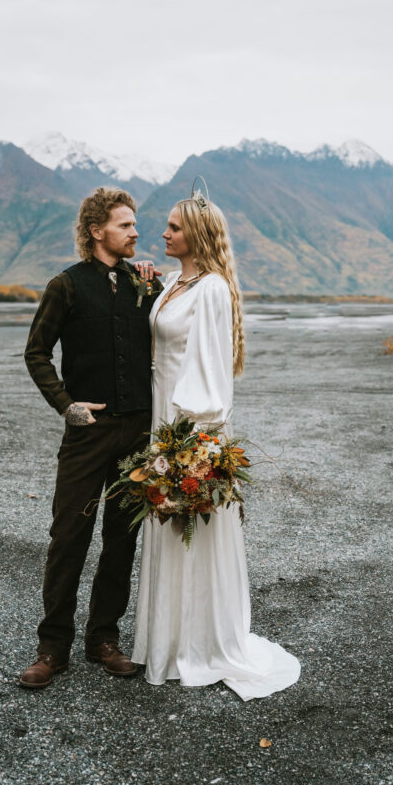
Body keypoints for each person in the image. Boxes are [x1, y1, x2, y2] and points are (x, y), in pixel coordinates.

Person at [132, 191, 301, 700]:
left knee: (191, 528)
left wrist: (193, 443)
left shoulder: (210, 291)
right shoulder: (178, 284)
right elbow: (167, 328)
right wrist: (149, 283)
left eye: (173, 228)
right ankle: (169, 638)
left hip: (186, 426)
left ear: (198, 235)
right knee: (169, 531)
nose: (163, 234)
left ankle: (200, 643)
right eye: (165, 226)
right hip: (162, 416)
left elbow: (208, 372)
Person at [19, 187, 162, 689]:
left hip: (137, 432)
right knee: (69, 538)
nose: (136, 232)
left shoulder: (145, 285)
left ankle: (103, 639)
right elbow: (36, 353)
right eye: (125, 224)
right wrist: (67, 405)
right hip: (87, 434)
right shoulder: (67, 285)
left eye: (135, 224)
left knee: (122, 538)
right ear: (97, 230)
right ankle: (52, 648)